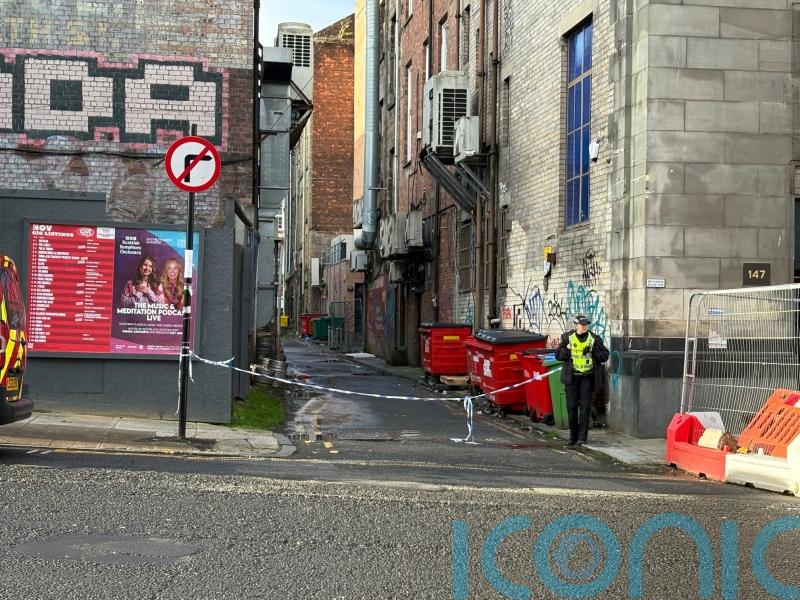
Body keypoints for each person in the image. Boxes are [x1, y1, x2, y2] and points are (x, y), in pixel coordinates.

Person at [555, 314, 609, 447]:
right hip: (572, 378)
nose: (584, 327)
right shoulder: (567, 338)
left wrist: (594, 350)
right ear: (576, 325)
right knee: (572, 408)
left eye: (586, 325)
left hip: (587, 378)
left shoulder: (594, 339)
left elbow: (605, 356)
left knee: (585, 408)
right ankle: (572, 437)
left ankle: (582, 438)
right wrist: (568, 351)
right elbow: (558, 355)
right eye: (582, 324)